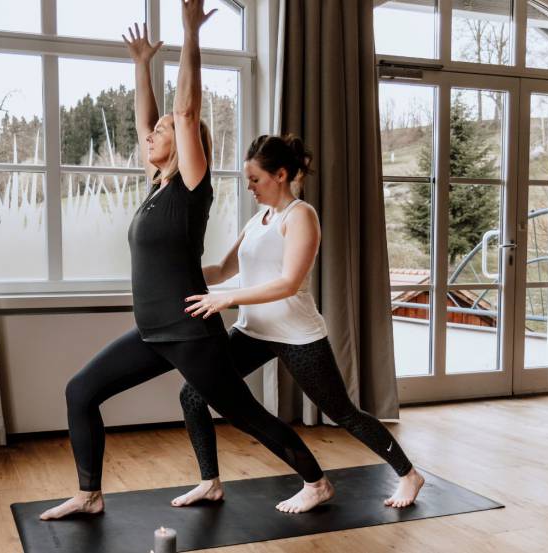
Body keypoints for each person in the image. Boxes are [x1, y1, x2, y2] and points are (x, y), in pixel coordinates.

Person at [39, 1, 333, 521]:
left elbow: (187, 112)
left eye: (162, 132)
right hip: (153, 329)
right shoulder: (156, 186)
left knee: (242, 412)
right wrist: (139, 65)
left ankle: (315, 480)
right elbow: (150, 120)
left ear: (188, 146)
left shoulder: (191, 188)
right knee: (81, 391)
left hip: (189, 328)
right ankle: (89, 493)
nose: (149, 134)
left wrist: (189, 35)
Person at [172, 134, 425, 509]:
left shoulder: (301, 216)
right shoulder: (259, 219)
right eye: (248, 181)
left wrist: (227, 298)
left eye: (255, 179)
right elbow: (224, 268)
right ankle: (210, 482)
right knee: (192, 394)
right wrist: (178, 275)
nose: (250, 188)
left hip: (296, 334)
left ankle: (408, 475)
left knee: (342, 412)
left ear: (281, 175)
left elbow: (289, 282)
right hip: (253, 331)